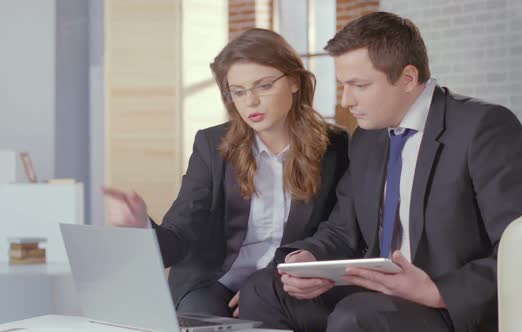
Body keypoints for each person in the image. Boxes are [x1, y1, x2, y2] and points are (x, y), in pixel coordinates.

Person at [239, 12, 522, 332]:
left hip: (446, 305)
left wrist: (436, 291)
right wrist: (311, 260)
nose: (347, 100)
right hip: (377, 292)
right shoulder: (368, 137)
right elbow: (344, 229)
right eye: (344, 85)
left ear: (408, 78)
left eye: (360, 85)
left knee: (357, 316)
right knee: (263, 290)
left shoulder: (484, 128)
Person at [102, 28, 349, 318]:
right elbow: (183, 231)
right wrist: (141, 227)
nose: (251, 102)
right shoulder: (212, 146)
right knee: (201, 316)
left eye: (264, 86)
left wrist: (268, 287)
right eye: (239, 92)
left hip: (286, 282)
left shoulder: (335, 146)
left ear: (294, 81)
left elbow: (337, 231)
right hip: (215, 280)